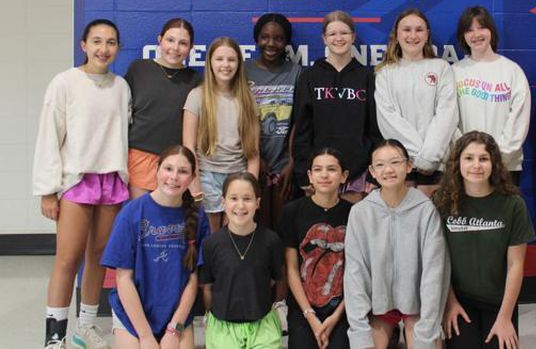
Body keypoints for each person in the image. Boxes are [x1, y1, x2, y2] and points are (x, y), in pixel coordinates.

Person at [33, 19, 131, 349]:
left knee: (99, 258)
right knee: (68, 259)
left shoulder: (121, 86)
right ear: (84, 45)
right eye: (97, 41)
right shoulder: (64, 83)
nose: (104, 49)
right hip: (76, 181)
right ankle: (54, 337)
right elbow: (49, 136)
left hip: (111, 181)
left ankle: (85, 327)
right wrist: (48, 189)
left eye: (111, 42)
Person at [101, 145, 210, 349]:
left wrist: (173, 329)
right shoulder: (131, 214)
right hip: (133, 314)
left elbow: (193, 279)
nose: (174, 177)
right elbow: (123, 279)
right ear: (157, 169)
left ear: (192, 177)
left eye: (183, 171)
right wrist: (145, 336)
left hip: (175, 314)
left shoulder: (198, 217)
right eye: (168, 168)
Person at [344, 139, 449, 349]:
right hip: (378, 305)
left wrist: (428, 327)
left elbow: (434, 272)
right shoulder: (360, 213)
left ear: (408, 166)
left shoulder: (425, 210)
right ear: (372, 171)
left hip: (417, 304)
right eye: (380, 165)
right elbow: (355, 273)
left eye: (395, 162)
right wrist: (359, 330)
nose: (388, 170)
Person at [435, 131, 534, 349]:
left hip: (499, 302)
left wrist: (506, 317)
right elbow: (439, 260)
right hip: (460, 300)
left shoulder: (513, 204)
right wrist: (449, 303)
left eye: (484, 158)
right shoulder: (442, 202)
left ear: (494, 163)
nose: (476, 165)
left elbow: (516, 265)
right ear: (457, 163)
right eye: (469, 158)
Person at [293, 11, 381, 203]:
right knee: (322, 231)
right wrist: (303, 173)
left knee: (354, 231)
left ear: (353, 37)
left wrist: (373, 173)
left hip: (357, 174)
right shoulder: (309, 77)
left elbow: (375, 129)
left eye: (344, 33)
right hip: (320, 173)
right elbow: (302, 129)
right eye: (332, 34)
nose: (338, 38)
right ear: (324, 38)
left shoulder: (366, 77)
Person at [375, 9, 458, 196]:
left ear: (427, 34)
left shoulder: (441, 68)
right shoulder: (385, 73)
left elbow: (447, 114)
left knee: (435, 222)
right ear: (396, 34)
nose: (413, 36)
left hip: (437, 163)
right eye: (407, 30)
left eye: (419, 30)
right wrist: (415, 158)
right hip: (400, 164)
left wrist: (429, 156)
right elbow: (388, 119)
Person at [183, 36, 260, 232]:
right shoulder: (197, 96)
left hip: (238, 174)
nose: (225, 65)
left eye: (231, 59)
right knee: (210, 236)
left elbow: (253, 151)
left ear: (238, 64)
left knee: (234, 235)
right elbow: (189, 147)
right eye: (219, 59)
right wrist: (196, 186)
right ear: (209, 62)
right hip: (206, 174)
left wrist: (251, 187)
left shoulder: (248, 99)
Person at [200, 172, 284, 348]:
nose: (240, 205)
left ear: (258, 203)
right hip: (223, 326)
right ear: (223, 202)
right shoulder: (211, 243)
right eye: (233, 198)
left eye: (247, 198)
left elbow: (277, 279)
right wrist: (209, 314)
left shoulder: (271, 240)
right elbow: (208, 286)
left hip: (263, 324)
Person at [279, 148, 352, 349]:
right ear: (310, 176)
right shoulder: (292, 212)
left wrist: (337, 315)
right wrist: (309, 315)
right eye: (318, 169)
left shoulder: (354, 214)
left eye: (331, 169)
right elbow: (292, 268)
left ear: (343, 176)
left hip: (343, 308)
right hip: (303, 308)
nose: (324, 175)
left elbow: (357, 271)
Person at [452, 7, 531, 186]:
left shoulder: (512, 70)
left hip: (506, 165)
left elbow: (519, 119)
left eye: (481, 28)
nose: (476, 34)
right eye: (469, 30)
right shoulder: (454, 72)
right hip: (467, 167)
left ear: (491, 31)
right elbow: (449, 120)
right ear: (463, 36)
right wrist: (470, 156)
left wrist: (496, 157)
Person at [126, 18, 201, 199]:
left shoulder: (196, 80)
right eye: (170, 40)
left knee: (171, 220)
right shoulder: (139, 69)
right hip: (139, 158)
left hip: (176, 161)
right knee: (143, 219)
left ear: (191, 48)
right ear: (159, 40)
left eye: (183, 43)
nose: (175, 48)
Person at [246, 13, 302, 226]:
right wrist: (255, 158)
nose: (270, 43)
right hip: (252, 163)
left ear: (286, 42)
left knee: (283, 229)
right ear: (257, 38)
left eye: (278, 38)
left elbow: (299, 120)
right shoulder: (244, 71)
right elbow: (239, 121)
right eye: (265, 37)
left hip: (285, 168)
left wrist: (292, 163)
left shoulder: (296, 73)